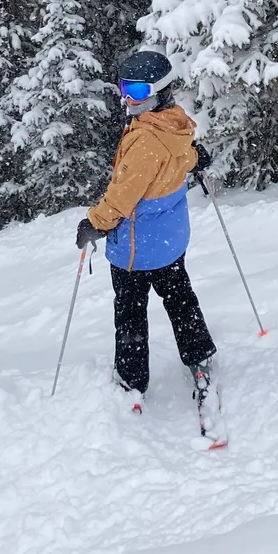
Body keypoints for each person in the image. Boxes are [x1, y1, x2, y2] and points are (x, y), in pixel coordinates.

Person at [76, 50, 218, 421]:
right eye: (124, 87)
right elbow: (179, 158)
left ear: (159, 91)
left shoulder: (145, 141)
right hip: (169, 242)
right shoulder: (175, 123)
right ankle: (200, 356)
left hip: (136, 250)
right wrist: (196, 159)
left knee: (130, 313)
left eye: (137, 91)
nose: (127, 97)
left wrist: (94, 223)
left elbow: (122, 197)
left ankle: (131, 379)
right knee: (180, 299)